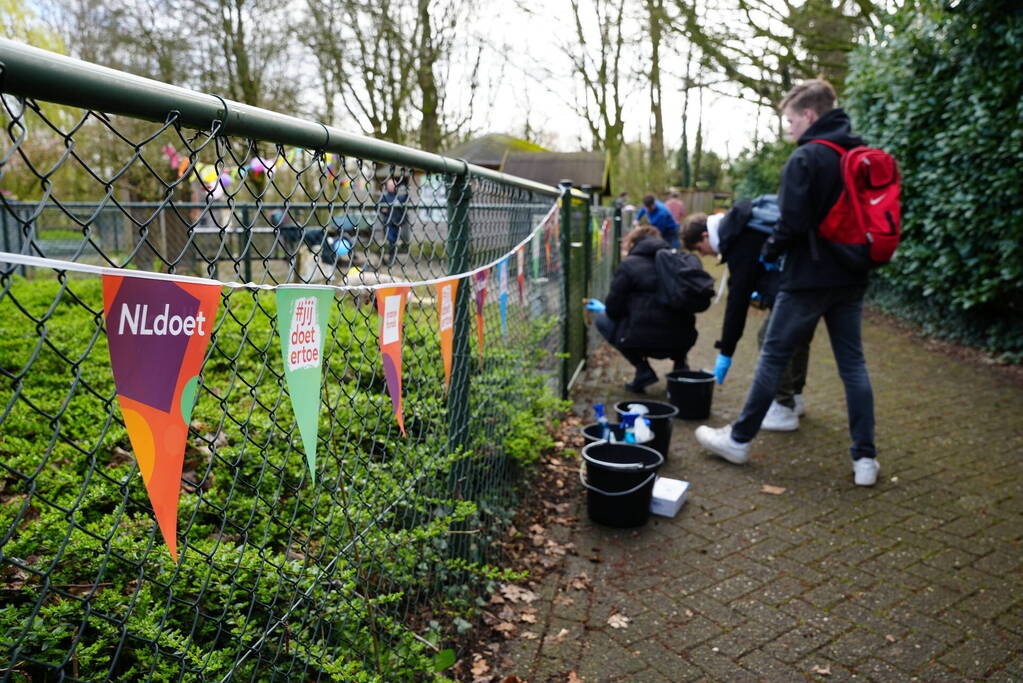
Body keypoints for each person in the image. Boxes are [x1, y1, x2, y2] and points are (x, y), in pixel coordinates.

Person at [694, 78, 880, 486]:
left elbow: (791, 223)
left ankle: (739, 440)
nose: (789, 129)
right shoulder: (863, 154)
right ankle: (865, 460)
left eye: (791, 120)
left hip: (808, 277)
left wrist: (771, 252)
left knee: (772, 355)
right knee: (853, 364)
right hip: (853, 276)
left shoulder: (806, 158)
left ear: (809, 115)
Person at [683, 209, 813, 430]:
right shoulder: (742, 226)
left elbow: (737, 304)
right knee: (797, 337)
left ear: (705, 236)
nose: (703, 255)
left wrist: (726, 352)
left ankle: (784, 407)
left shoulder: (738, 240)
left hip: (799, 284)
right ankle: (795, 397)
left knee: (770, 338)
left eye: (699, 249)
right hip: (812, 275)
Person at [587, 225, 697, 393]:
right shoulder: (679, 261)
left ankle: (642, 369)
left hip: (641, 340)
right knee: (678, 320)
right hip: (681, 340)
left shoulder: (629, 265)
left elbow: (613, 309)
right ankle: (681, 366)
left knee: (602, 318)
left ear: (633, 243)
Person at [377, 178, 409, 266]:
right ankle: (391, 258)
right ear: (387, 186)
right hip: (389, 223)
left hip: (398, 223)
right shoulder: (384, 197)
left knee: (395, 241)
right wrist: (383, 210)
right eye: (390, 185)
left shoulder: (399, 197)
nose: (392, 186)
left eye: (394, 185)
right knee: (391, 240)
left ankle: (393, 256)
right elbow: (378, 207)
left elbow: (404, 206)